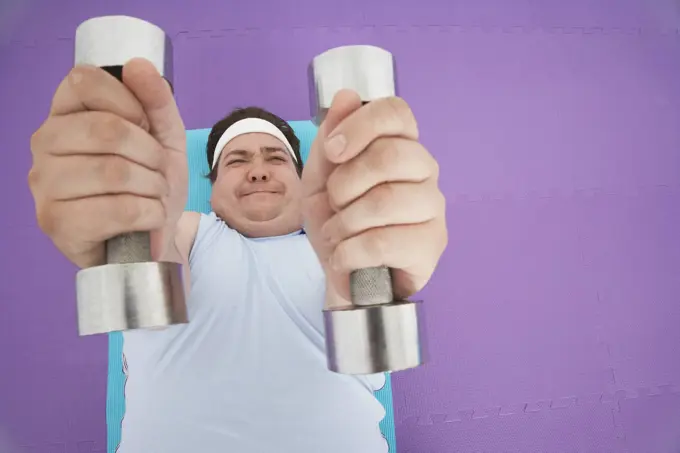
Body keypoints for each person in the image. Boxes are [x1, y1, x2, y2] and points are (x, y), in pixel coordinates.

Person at [28, 58, 448, 452]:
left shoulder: (338, 250)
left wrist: (373, 224)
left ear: (306, 181)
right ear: (210, 187)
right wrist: (125, 208)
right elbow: (154, 252)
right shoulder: (191, 231)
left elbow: (363, 316)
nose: (258, 171)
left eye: (276, 158)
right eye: (237, 160)